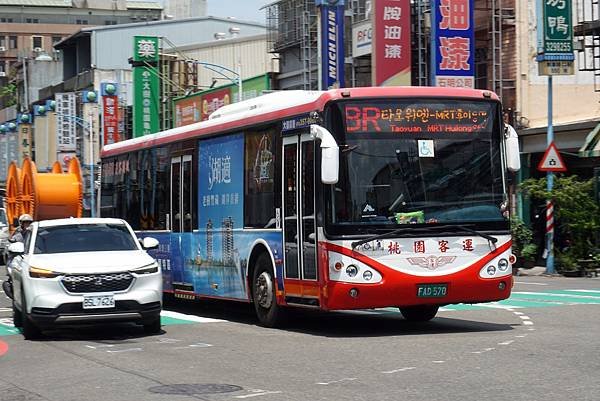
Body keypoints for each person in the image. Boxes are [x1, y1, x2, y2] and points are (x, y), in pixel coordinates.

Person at [2, 214, 33, 299]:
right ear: (21, 223)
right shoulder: (17, 232)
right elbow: (11, 241)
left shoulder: (33, 232)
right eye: (25, 223)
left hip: (31, 256)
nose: (27, 225)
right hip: (20, 255)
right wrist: (12, 243)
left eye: (28, 223)